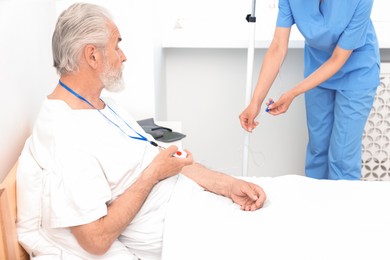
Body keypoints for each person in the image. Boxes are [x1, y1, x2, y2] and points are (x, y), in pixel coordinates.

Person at [16, 3, 266, 260]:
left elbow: (158, 162)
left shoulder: (102, 106)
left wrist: (228, 185)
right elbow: (95, 239)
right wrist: (154, 174)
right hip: (180, 229)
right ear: (92, 56)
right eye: (116, 45)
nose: (123, 56)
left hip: (192, 204)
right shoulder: (65, 135)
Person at [239, 0, 380, 180]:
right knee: (317, 149)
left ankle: (343, 207)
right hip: (317, 71)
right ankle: (315, 205)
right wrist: (255, 102)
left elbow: (338, 58)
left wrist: (292, 93)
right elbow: (278, 46)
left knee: (342, 157)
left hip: (357, 71)